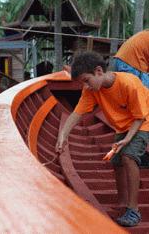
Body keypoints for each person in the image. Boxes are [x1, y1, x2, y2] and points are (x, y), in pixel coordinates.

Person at [56, 51, 149, 227]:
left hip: (144, 121)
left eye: (86, 81)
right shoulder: (91, 90)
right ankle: (122, 202)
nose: (86, 87)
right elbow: (77, 113)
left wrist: (127, 140)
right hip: (124, 125)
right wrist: (63, 135)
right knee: (116, 161)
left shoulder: (129, 83)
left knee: (128, 157)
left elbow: (139, 117)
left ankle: (133, 210)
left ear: (99, 71)